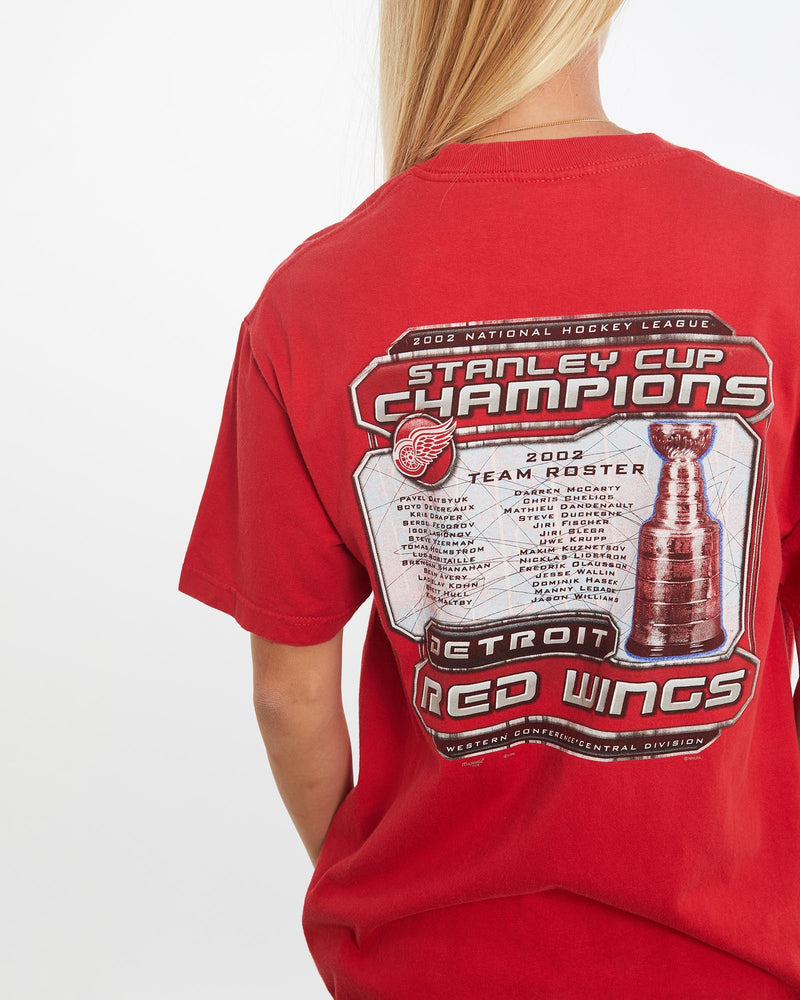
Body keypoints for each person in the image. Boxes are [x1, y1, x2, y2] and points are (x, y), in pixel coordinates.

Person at [178, 1, 800, 997]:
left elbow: (287, 695)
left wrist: (374, 880)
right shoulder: (780, 253)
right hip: (730, 961)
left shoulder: (312, 297)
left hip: (427, 963)